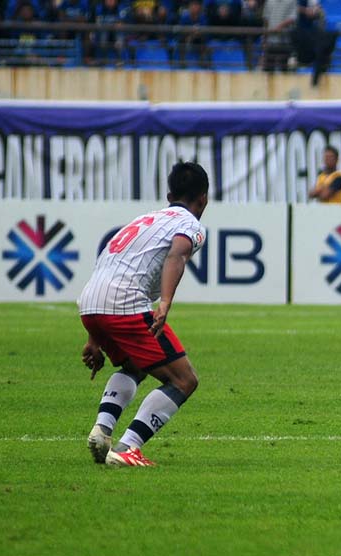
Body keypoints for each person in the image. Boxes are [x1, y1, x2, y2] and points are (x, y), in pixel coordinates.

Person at [78, 161, 209, 467]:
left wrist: (94, 337)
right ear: (203, 199)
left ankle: (103, 429)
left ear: (168, 194)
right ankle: (128, 448)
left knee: (135, 365)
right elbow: (178, 253)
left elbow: (107, 264)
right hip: (124, 305)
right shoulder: (190, 224)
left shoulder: (145, 220)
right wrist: (165, 302)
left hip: (91, 302)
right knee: (183, 380)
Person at [262, 0, 297, 71]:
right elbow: (266, 20)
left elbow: (292, 18)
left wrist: (280, 27)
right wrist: (265, 38)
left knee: (284, 69)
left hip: (285, 41)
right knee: (268, 69)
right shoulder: (269, 1)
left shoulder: (292, 1)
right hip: (271, 41)